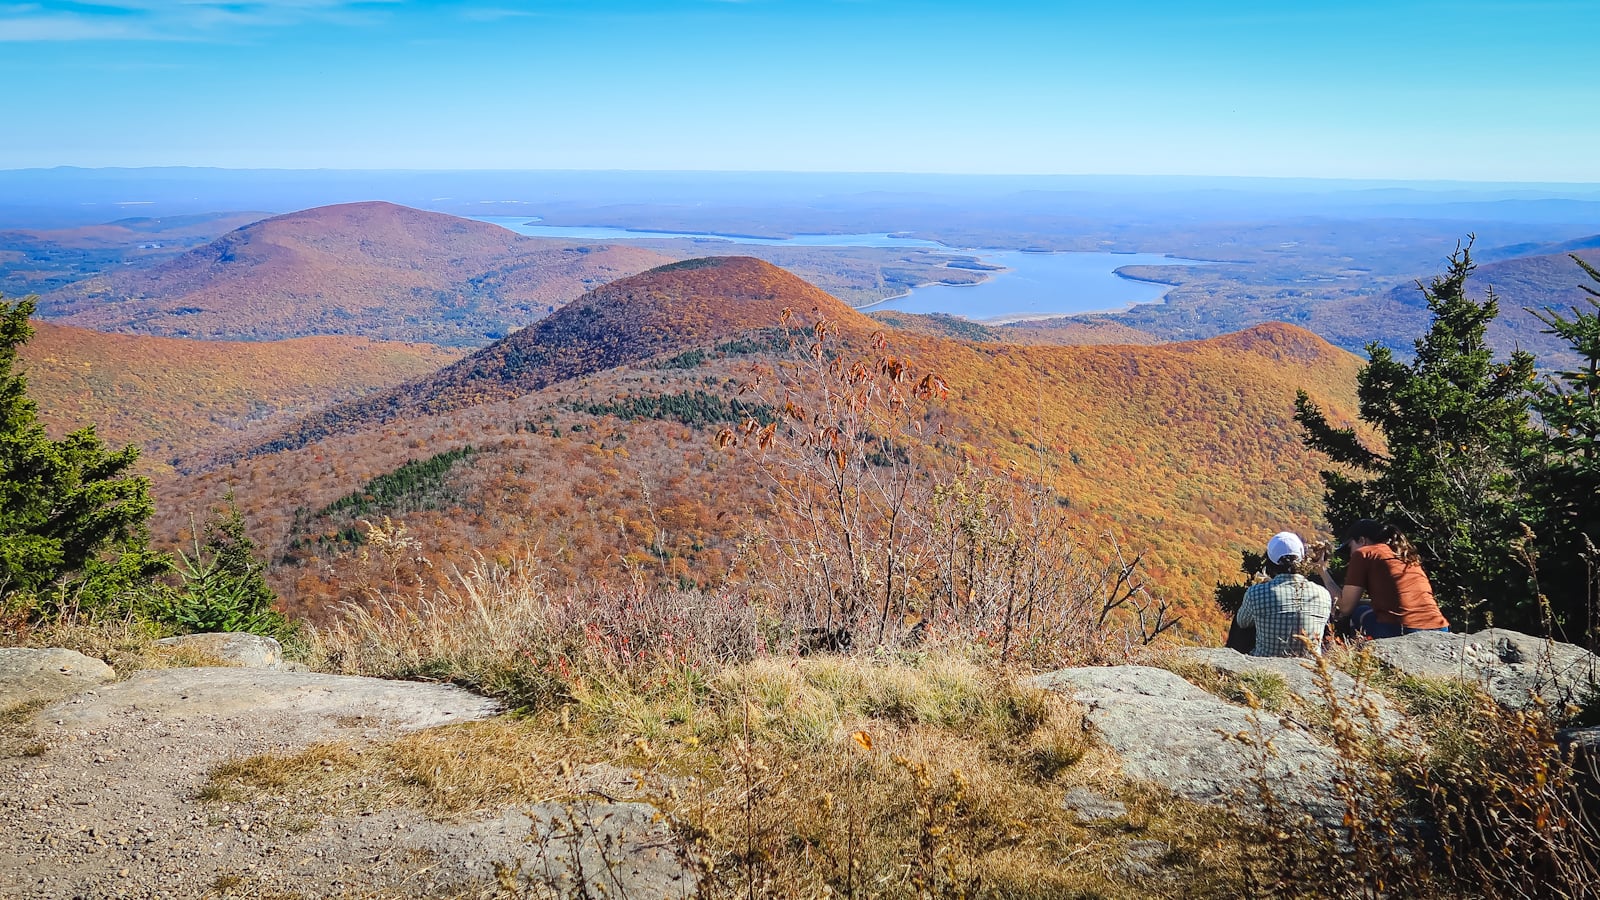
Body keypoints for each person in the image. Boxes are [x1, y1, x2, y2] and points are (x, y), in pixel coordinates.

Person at [1320, 519, 1449, 638]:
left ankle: (1361, 658)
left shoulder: (1364, 553)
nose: (1350, 554)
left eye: (1350, 547)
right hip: (1440, 628)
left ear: (1362, 540)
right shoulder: (1404, 555)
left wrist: (1322, 571)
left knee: (1359, 612)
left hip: (1404, 629)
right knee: (1363, 606)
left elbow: (1345, 607)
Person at [1234, 531, 1334, 657]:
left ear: (1269, 561)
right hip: (1311, 668)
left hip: (1266, 666)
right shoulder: (1323, 594)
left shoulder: (1256, 593)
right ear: (1301, 559)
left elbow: (1242, 622)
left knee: (1247, 614)